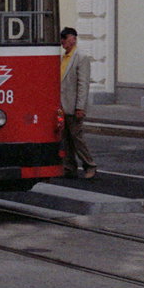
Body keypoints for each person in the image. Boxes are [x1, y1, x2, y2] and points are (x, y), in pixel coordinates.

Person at [60, 26, 96, 179]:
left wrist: (80, 107)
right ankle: (69, 167)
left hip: (74, 106)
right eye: (62, 38)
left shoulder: (81, 57)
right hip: (62, 106)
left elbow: (83, 84)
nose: (62, 41)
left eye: (65, 38)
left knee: (77, 138)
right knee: (65, 139)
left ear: (73, 39)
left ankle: (90, 165)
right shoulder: (64, 57)